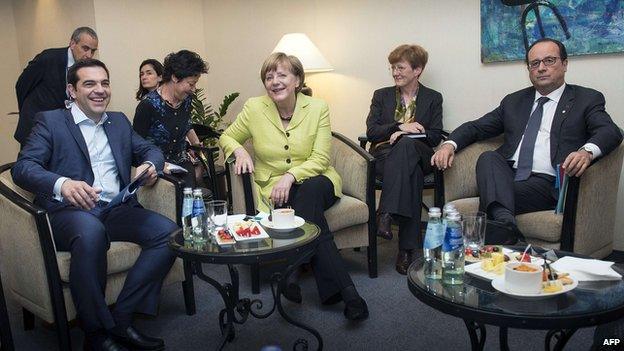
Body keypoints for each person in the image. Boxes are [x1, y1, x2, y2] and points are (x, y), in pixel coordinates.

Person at [12, 59, 177, 351]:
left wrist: (150, 164)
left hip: (115, 208)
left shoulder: (119, 122)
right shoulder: (50, 121)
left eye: (104, 83)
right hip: (69, 212)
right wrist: (62, 184)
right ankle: (96, 335)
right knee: (91, 232)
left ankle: (122, 320)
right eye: (89, 84)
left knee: (169, 234)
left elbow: (150, 149)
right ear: (72, 91)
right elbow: (23, 168)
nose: (99, 90)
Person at [219, 52, 369, 321]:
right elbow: (227, 136)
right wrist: (239, 150)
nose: (275, 81)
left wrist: (290, 175)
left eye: (282, 75)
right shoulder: (255, 108)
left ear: (297, 80)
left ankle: (290, 269)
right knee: (309, 212)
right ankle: (349, 294)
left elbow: (321, 158)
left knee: (309, 192)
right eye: (269, 76)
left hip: (318, 180)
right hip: (275, 190)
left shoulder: (318, 107)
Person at [431, 38, 623, 244]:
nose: (541, 68)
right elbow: (476, 127)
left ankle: (503, 226)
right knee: (488, 158)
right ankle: (507, 227)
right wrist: (448, 144)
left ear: (565, 64)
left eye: (549, 61)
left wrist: (586, 151)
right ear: (529, 69)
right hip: (508, 177)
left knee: (494, 195)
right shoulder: (514, 101)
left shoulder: (586, 99)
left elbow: (610, 131)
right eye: (534, 63)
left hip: (546, 184)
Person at [366, 44, 443, 275]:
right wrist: (399, 126)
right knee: (412, 174)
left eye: (400, 67)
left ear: (417, 70)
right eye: (393, 68)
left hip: (419, 152)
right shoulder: (381, 95)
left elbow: (435, 135)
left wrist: (409, 134)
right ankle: (406, 250)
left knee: (407, 146)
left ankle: (385, 213)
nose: (395, 72)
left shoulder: (433, 97)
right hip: (385, 156)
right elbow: (371, 131)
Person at [133, 50, 207, 188]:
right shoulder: (148, 105)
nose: (194, 89)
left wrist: (197, 147)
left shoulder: (186, 100)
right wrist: (159, 164)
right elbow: (136, 146)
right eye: (191, 84)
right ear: (174, 77)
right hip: (158, 172)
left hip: (183, 167)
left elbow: (187, 124)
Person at [14, 26, 98, 145]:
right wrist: (26, 112)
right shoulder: (48, 58)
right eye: (85, 48)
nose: (89, 55)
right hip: (36, 128)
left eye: (93, 51)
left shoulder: (86, 68)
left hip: (63, 129)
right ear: (73, 43)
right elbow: (22, 85)